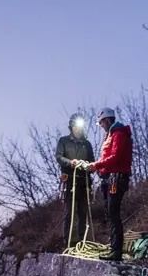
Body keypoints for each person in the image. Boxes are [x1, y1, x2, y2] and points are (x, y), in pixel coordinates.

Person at [85, 108, 133, 261]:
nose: (101, 126)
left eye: (101, 123)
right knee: (110, 213)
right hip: (109, 178)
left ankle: (116, 251)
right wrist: (98, 168)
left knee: (113, 213)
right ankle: (114, 248)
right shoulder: (111, 135)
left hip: (116, 179)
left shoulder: (118, 134)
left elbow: (116, 156)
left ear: (107, 120)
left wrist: (96, 165)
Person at [56, 114, 95, 248]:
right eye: (76, 127)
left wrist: (90, 167)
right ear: (71, 128)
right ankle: (67, 241)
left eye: (80, 127)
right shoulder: (64, 141)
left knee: (83, 212)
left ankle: (82, 242)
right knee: (69, 212)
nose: (78, 130)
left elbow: (92, 160)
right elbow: (59, 157)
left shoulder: (87, 144)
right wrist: (70, 162)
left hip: (84, 181)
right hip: (69, 180)